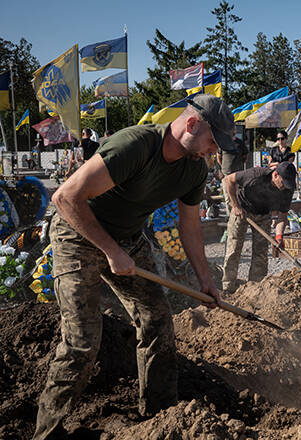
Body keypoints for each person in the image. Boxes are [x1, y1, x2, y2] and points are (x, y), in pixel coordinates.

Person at [33, 94, 234, 440]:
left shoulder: (194, 169)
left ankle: (160, 419)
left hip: (125, 238)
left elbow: (190, 226)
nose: (214, 151)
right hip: (77, 233)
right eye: (213, 141)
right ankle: (46, 432)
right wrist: (110, 251)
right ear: (191, 124)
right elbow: (65, 197)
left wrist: (205, 281)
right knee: (83, 339)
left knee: (157, 319)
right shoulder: (136, 146)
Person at [222, 161, 297, 292]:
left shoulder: (287, 190)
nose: (285, 186)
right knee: (234, 249)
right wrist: (235, 206)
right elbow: (228, 180)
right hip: (242, 210)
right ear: (275, 175)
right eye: (283, 182)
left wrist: (279, 236)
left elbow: (282, 216)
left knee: (261, 253)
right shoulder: (255, 175)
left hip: (263, 215)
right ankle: (227, 287)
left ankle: (255, 288)